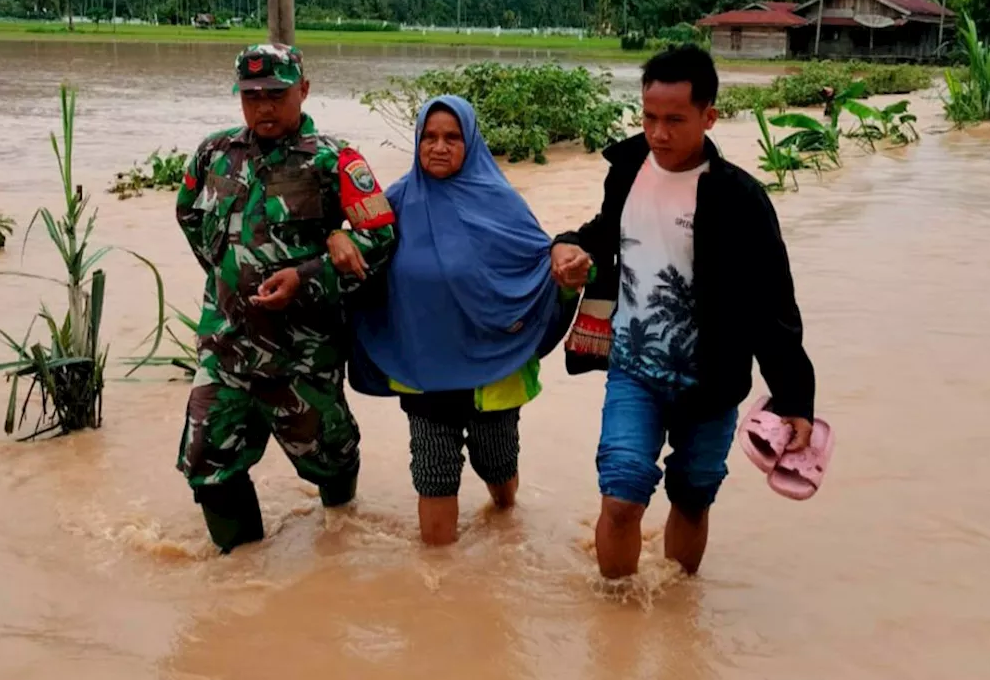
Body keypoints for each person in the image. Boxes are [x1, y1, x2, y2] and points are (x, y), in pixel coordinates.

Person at [551, 44, 816, 580]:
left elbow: (773, 305)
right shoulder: (626, 167)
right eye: (650, 118)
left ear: (708, 116)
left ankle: (677, 615)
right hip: (633, 370)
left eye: (675, 120)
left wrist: (795, 398)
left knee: (693, 499)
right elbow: (607, 233)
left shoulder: (739, 199)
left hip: (712, 382)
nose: (659, 134)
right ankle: (617, 622)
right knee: (621, 497)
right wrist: (568, 246)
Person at [175, 43, 397, 553]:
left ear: (303, 90)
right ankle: (242, 570)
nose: (264, 107)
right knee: (207, 460)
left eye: (276, 94)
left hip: (301, 354)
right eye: (251, 96)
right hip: (226, 349)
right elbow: (189, 215)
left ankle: (339, 533)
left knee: (330, 457)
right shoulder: (214, 153)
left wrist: (309, 273)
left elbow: (381, 236)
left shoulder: (335, 159)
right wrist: (227, 279)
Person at [350, 95, 580, 546]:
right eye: (429, 137)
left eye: (452, 138)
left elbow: (540, 265)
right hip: (425, 371)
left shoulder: (503, 204)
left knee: (498, 467)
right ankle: (439, 592)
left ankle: (506, 529)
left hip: (492, 370)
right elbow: (356, 248)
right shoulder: (391, 204)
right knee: (433, 476)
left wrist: (566, 271)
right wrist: (340, 236)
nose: (439, 147)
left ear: (470, 142)